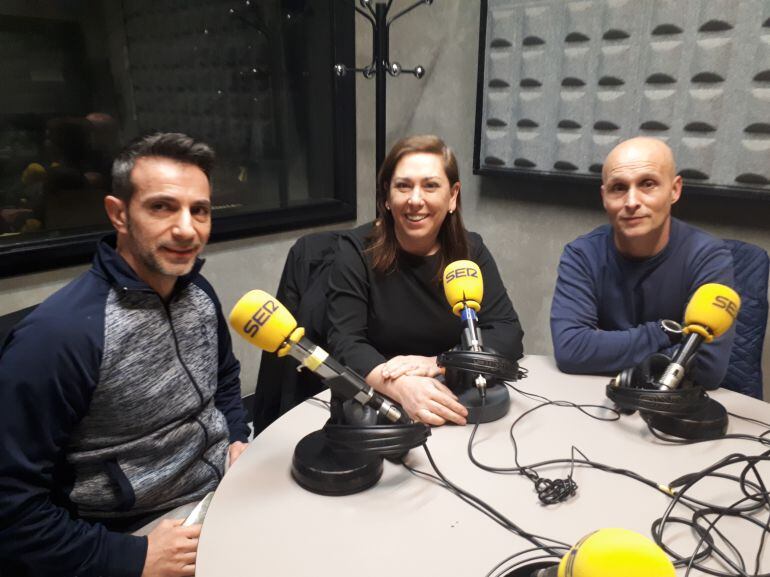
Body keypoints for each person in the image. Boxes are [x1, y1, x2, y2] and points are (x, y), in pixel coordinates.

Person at [0, 133, 250, 577]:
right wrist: (133, 557)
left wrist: (234, 436)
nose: (187, 229)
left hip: (223, 489)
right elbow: (12, 509)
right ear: (119, 214)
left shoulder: (198, 293)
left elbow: (225, 379)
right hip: (132, 533)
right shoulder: (58, 338)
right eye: (162, 207)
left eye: (200, 210)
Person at [327, 135, 524, 426]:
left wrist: (440, 363)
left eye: (430, 186)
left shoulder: (471, 252)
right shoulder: (355, 251)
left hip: (450, 396)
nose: (415, 200)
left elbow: (508, 333)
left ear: (453, 196)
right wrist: (400, 386)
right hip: (379, 403)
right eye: (403, 186)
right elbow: (344, 342)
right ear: (387, 197)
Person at [550, 136, 735, 388]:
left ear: (674, 190)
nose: (631, 202)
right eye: (619, 188)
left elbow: (707, 368)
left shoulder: (708, 257)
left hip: (672, 406)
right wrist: (664, 333)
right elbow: (571, 349)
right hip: (598, 397)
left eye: (648, 184)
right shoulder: (581, 254)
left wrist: (603, 347)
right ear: (605, 196)